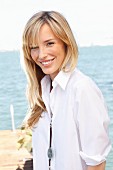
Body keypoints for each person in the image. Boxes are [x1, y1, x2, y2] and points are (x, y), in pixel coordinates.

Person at [22, 11, 111, 170]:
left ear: (65, 43)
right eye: (34, 47)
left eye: (49, 43)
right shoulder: (40, 90)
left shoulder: (82, 89)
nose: (41, 54)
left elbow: (96, 164)